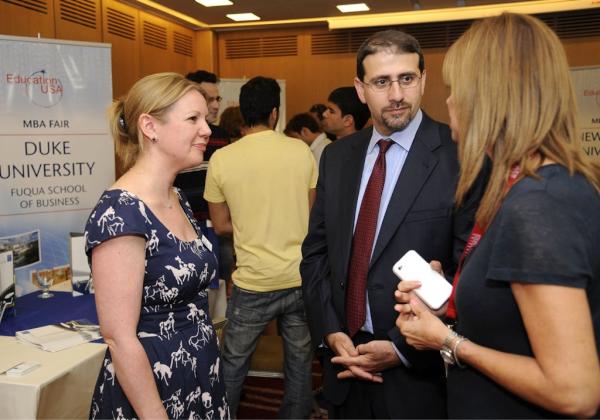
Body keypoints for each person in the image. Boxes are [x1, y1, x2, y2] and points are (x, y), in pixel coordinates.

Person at [395, 13, 600, 418]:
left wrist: (448, 342)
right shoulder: (545, 186)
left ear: (487, 98)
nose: (449, 102)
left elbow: (574, 391)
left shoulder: (539, 204)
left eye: (456, 90)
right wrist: (452, 303)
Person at [300, 29, 486, 418]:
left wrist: (401, 348)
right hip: (344, 365)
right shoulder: (337, 157)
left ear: (424, 80)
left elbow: (470, 270)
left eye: (407, 78)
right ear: (361, 89)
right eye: (382, 82)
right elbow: (316, 253)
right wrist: (331, 331)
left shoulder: (460, 156)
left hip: (420, 378)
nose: (397, 94)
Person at [84, 72, 229, 420]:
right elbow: (119, 338)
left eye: (205, 118)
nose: (206, 129)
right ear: (150, 127)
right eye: (193, 119)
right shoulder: (121, 212)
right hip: (152, 392)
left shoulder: (176, 196)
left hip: (199, 374)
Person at [204, 76, 318, 418]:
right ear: (274, 113)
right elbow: (310, 215)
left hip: (253, 281)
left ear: (243, 112)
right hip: (299, 277)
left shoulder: (222, 159)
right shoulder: (301, 151)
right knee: (300, 360)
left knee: (233, 363)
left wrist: (249, 225)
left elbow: (220, 225)